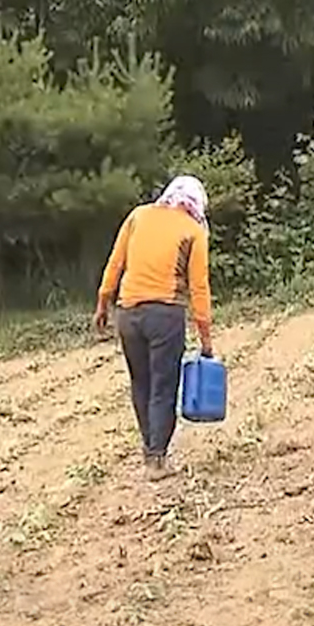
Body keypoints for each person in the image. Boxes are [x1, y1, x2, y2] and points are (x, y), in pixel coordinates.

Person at [94, 175, 216, 482]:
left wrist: (102, 303)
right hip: (165, 315)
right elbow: (199, 288)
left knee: (141, 383)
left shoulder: (138, 216)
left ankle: (150, 450)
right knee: (163, 386)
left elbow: (115, 263)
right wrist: (206, 339)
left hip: (128, 313)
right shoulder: (193, 230)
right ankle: (157, 459)